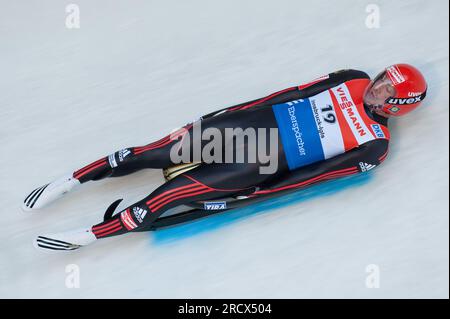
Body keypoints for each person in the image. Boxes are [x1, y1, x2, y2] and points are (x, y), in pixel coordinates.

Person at [24, 63, 427, 252]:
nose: (376, 88)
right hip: (242, 127)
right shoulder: (351, 78)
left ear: (399, 105)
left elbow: (316, 176)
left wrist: (261, 192)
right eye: (381, 80)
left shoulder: (375, 144)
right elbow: (284, 96)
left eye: (386, 91)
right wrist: (222, 114)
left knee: (166, 198)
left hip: (260, 165)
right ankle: (70, 180)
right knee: (146, 152)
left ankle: (86, 237)